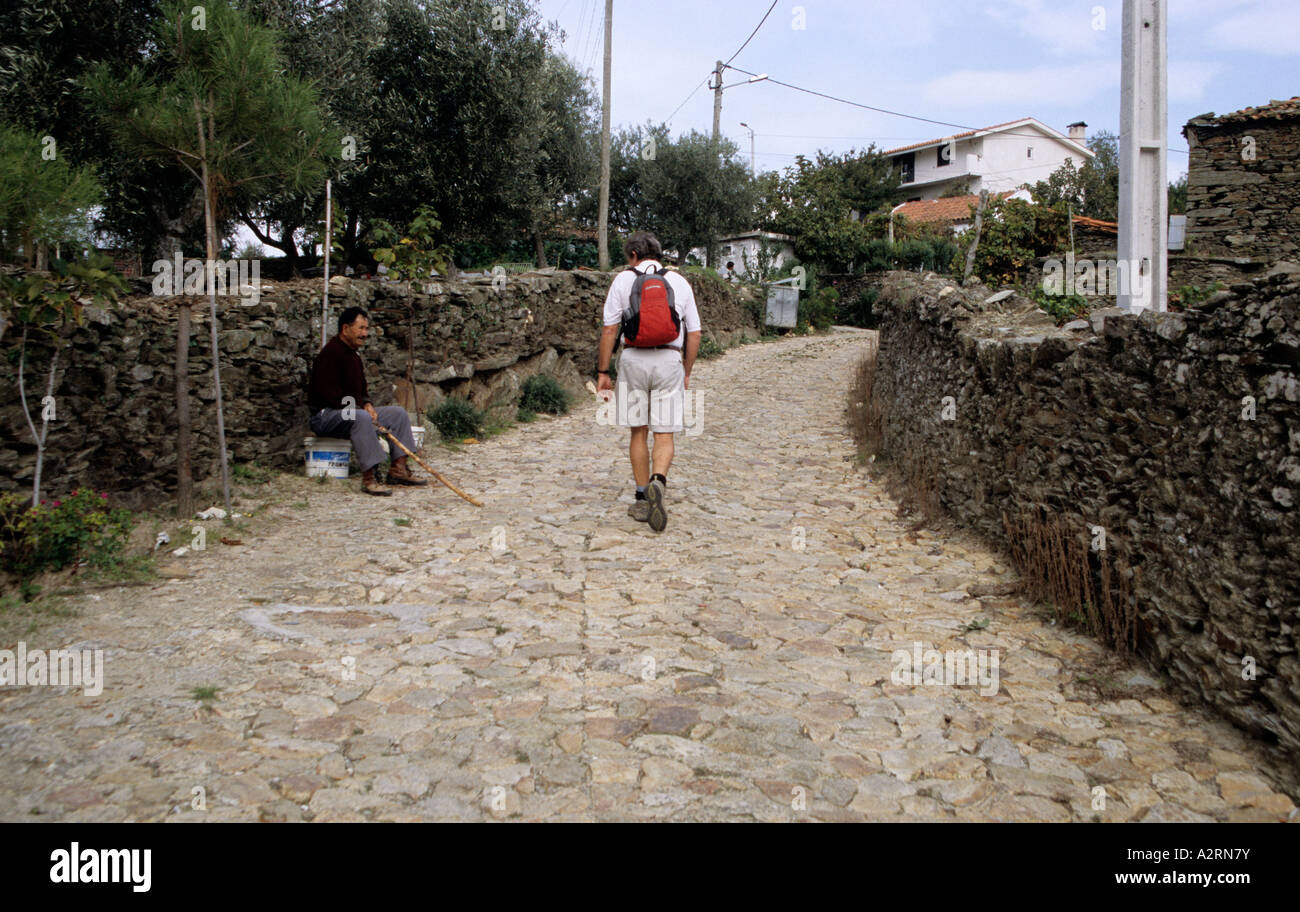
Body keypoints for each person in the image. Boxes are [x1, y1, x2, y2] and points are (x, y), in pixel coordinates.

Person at [596, 231, 701, 532]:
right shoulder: (679, 282)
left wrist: (604, 372)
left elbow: (609, 330)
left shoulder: (623, 280)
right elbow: (694, 333)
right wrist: (687, 370)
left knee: (638, 432)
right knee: (665, 433)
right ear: (659, 254)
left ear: (632, 256)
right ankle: (660, 480)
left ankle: (642, 495)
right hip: (669, 359)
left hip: (633, 359)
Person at [307, 306, 427, 496]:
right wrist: (361, 408)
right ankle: (369, 478)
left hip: (351, 411)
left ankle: (399, 469)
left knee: (397, 414)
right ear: (345, 329)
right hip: (326, 415)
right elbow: (329, 394)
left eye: (366, 329)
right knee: (361, 417)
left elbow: (361, 391)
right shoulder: (331, 354)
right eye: (360, 328)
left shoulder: (354, 355)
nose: (364, 334)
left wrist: (368, 404)